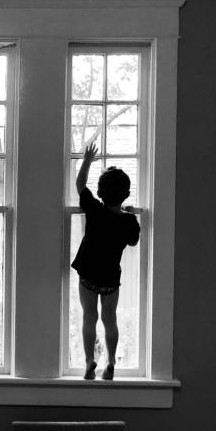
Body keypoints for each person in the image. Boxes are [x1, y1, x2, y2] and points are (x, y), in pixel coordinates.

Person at [72, 142, 140, 380]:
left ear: (100, 192)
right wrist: (129, 212)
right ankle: (110, 363)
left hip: (88, 272)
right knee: (109, 318)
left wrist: (88, 160)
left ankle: (90, 361)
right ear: (125, 194)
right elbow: (132, 242)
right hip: (110, 275)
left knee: (89, 316)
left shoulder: (94, 209)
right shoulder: (129, 222)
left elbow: (80, 184)